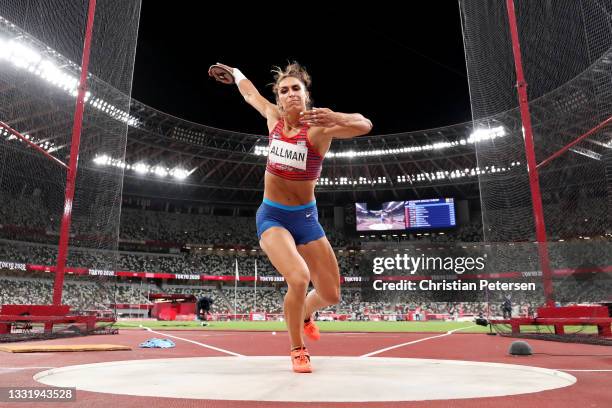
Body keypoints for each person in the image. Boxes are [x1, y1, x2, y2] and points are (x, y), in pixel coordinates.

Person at [210, 62, 372, 373]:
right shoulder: (273, 118)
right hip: (273, 216)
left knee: (331, 294)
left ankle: (307, 315)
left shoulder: (320, 128)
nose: (290, 94)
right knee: (298, 277)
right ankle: (298, 348)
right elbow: (250, 95)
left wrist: (336, 116)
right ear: (280, 99)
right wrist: (236, 72)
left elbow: (365, 124)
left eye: (295, 88)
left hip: (306, 218)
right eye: (284, 91)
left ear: (306, 94)